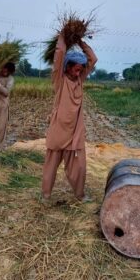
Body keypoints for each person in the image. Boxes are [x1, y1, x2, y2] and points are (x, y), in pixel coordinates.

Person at [42, 32, 97, 201]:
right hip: (59, 131)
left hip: (75, 133)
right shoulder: (60, 79)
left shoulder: (80, 80)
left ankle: (80, 195)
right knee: (51, 166)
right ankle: (45, 195)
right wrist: (63, 38)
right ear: (67, 67)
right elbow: (59, 55)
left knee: (79, 166)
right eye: (75, 68)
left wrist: (80, 42)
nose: (78, 72)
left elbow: (93, 59)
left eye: (80, 69)